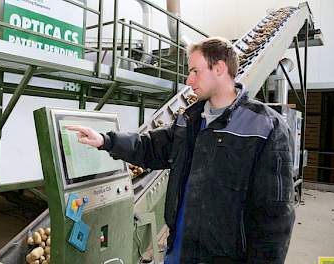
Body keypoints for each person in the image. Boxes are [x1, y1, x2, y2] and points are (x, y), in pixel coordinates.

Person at [66, 37, 295, 263]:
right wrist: (105, 141)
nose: (189, 79)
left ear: (219, 68)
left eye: (196, 71)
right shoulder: (189, 120)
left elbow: (274, 219)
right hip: (179, 253)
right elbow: (149, 147)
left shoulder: (266, 128)